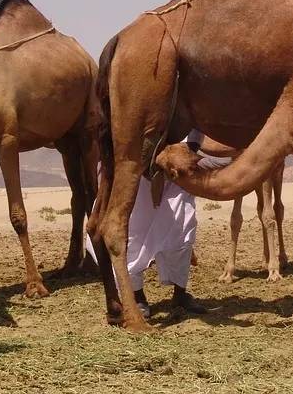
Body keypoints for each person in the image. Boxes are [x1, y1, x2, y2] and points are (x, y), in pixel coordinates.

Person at [86, 129, 211, 317]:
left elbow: (195, 124)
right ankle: (137, 296)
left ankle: (180, 295)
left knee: (183, 225)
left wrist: (188, 149)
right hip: (136, 165)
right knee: (134, 230)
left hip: (179, 164)